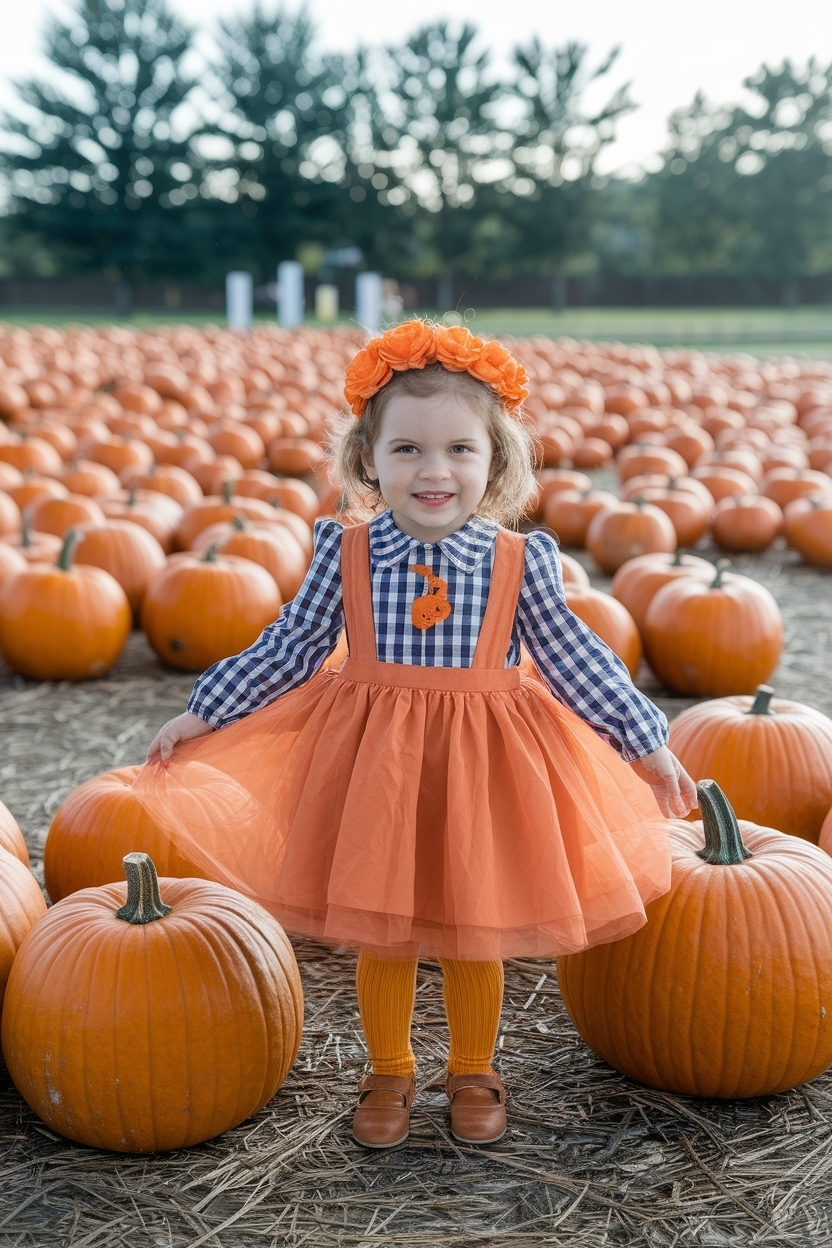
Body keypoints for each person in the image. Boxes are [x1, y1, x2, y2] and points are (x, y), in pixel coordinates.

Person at [141, 319, 696, 1151]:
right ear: (368, 459)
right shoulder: (347, 554)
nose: (434, 472)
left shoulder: (520, 562)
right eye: (407, 450)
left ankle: (473, 1067)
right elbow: (291, 644)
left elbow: (578, 657)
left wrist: (643, 739)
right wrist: (207, 709)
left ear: (494, 461)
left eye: (458, 452)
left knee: (477, 922)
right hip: (378, 767)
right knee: (386, 926)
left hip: (485, 767)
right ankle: (389, 1068)